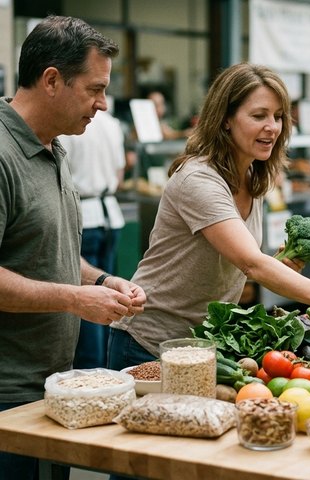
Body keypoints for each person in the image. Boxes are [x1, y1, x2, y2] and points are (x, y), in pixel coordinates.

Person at [108, 63, 310, 373]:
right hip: (149, 344)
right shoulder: (199, 179)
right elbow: (250, 261)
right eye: (259, 115)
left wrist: (274, 265)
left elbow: (239, 262)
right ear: (225, 121)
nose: (272, 126)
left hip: (202, 345)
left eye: (278, 116)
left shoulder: (253, 175)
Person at [0, 15, 146, 480]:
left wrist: (100, 280)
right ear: (51, 80)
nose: (103, 104)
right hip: (6, 396)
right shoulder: (3, 155)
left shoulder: (54, 149)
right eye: (94, 89)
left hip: (47, 387)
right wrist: (76, 299)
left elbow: (49, 253)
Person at [59, 105, 128, 369]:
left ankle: (91, 369)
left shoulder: (70, 126)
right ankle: (103, 366)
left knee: (88, 303)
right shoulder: (112, 124)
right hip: (110, 214)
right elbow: (120, 175)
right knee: (106, 299)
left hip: (85, 216)